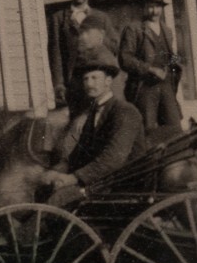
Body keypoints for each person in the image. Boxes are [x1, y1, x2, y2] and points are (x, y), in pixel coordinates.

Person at [38, 52, 144, 207]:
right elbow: (81, 152)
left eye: (95, 78)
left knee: (59, 198)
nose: (89, 83)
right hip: (101, 179)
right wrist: (58, 171)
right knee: (44, 189)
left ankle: (32, 231)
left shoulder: (125, 111)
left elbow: (113, 159)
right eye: (85, 79)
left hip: (122, 182)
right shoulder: (94, 111)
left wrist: (73, 178)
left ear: (108, 81)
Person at [116, 0, 184, 136]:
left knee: (175, 127)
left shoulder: (167, 31)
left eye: (157, 7)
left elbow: (169, 55)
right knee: (147, 131)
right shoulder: (134, 29)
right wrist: (150, 69)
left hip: (166, 85)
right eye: (150, 7)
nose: (154, 11)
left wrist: (176, 62)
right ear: (143, 8)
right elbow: (125, 59)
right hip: (144, 88)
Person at [47, 0, 116, 114]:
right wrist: (59, 84)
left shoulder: (101, 18)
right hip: (73, 81)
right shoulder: (58, 18)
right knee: (78, 120)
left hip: (98, 79)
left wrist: (100, 38)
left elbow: (115, 47)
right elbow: (55, 54)